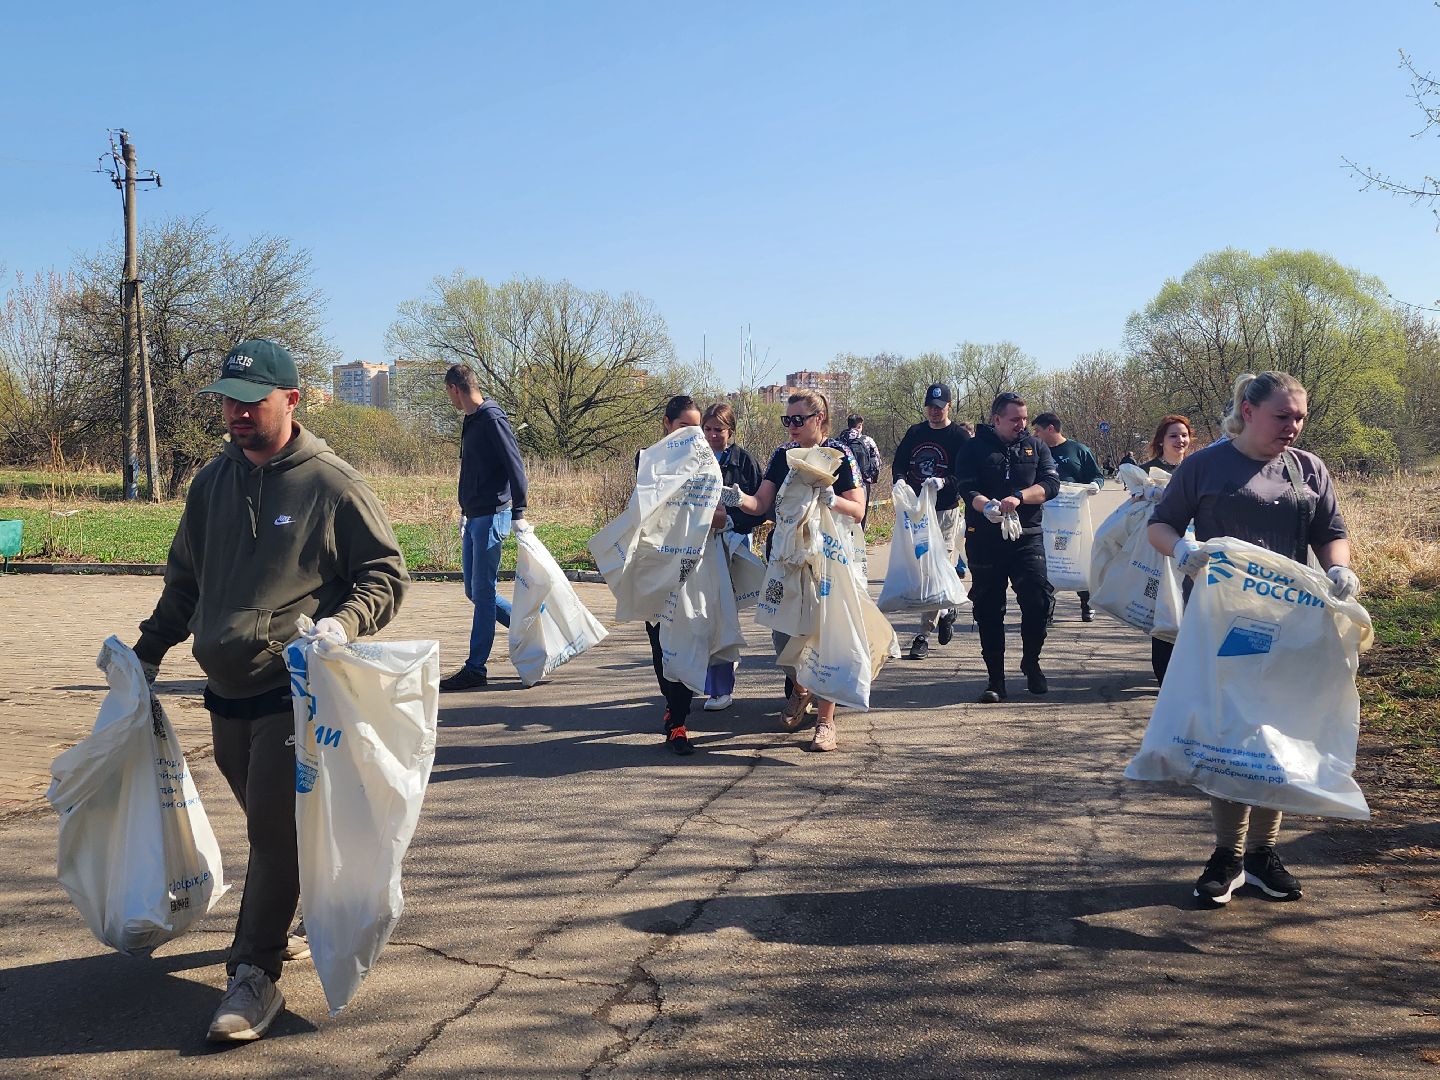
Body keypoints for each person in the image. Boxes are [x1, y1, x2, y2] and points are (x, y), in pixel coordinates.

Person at [133, 339, 409, 1042]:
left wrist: (344, 625)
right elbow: (185, 582)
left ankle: (253, 977)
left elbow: (384, 572)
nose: (236, 413)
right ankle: (286, 913)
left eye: (250, 401)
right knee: (268, 827)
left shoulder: (331, 484)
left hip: (296, 693)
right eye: (227, 399)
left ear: (292, 400)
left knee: (276, 832)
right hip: (224, 691)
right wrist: (148, 650)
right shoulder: (211, 483)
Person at [1147, 372, 1358, 909]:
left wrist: (1338, 571)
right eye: (1282, 416)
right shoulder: (1205, 465)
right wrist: (1183, 551)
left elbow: (1331, 532)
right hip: (1224, 626)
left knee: (1277, 731)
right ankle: (1228, 854)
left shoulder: (1307, 469)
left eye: (1300, 417)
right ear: (1248, 409)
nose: (1294, 427)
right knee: (1230, 731)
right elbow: (1161, 525)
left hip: (1292, 624)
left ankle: (1264, 855)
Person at [723, 389, 866, 752]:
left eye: (797, 420)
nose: (791, 427)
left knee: (822, 637)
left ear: (818, 419)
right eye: (787, 420)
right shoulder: (782, 456)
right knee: (781, 637)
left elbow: (859, 509)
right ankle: (801, 691)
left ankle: (825, 721)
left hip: (825, 559)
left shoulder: (839, 455)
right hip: (785, 559)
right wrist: (735, 497)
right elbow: (760, 505)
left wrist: (833, 500)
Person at [953, 391, 1060, 702]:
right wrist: (986, 506)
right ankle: (995, 680)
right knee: (988, 608)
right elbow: (965, 485)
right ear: (996, 419)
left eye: (1024, 418)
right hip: (985, 538)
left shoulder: (1036, 446)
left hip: (1026, 536)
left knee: (1039, 602)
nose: (1022, 424)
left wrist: (1020, 497)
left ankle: (1031, 662)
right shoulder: (973, 448)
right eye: (1015, 419)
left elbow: (1051, 484)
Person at [439, 364, 530, 692]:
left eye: (447, 392)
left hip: (493, 515)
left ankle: (476, 668)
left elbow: (514, 463)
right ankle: (532, 628)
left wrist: (519, 511)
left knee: (483, 591)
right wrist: (464, 510)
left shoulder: (492, 418)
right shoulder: (472, 420)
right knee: (475, 592)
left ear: (454, 388)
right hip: (475, 515)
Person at [891, 383, 972, 659]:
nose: (934, 412)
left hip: (945, 510)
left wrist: (945, 481)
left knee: (937, 568)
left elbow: (966, 474)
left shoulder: (958, 436)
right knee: (922, 569)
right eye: (930, 407)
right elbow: (900, 462)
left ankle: (922, 635)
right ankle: (947, 608)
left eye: (939, 408)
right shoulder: (916, 432)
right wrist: (899, 480)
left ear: (948, 406)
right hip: (917, 511)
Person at [647, 396, 707, 754]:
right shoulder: (649, 460)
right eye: (685, 427)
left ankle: (679, 721)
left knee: (684, 638)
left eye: (696, 428)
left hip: (691, 567)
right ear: (667, 424)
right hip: (656, 566)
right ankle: (671, 702)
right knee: (659, 643)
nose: (692, 435)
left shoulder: (705, 465)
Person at [700, 402, 762, 713]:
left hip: (735, 542)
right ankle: (716, 679)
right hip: (700, 545)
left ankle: (721, 684)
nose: (712, 435)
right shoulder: (693, 460)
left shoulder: (744, 461)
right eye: (707, 429)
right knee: (707, 614)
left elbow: (762, 507)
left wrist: (733, 521)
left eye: (718, 430)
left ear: (731, 432)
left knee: (725, 611)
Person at [1137, 414, 1194, 683]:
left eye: (1184, 435)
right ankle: (1164, 676)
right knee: (1165, 611)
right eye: (1173, 435)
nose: (1180, 440)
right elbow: (1132, 503)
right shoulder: (1147, 470)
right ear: (1161, 440)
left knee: (1189, 608)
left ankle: (1186, 671)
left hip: (1192, 547)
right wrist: (1146, 494)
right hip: (1159, 548)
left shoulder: (1197, 468)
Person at [1031, 412, 1104, 623]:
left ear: (1050, 428)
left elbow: (1096, 475)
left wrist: (1095, 486)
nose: (1035, 434)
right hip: (1046, 516)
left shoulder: (1078, 450)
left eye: (1038, 430)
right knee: (1047, 560)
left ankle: (1086, 600)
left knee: (1076, 558)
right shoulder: (1036, 451)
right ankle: (1047, 607)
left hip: (1073, 516)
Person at [841, 413, 881, 527]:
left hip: (842, 483)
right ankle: (859, 542)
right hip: (862, 482)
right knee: (860, 516)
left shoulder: (838, 440)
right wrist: (873, 477)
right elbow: (876, 461)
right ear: (859, 426)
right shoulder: (867, 440)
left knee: (843, 517)